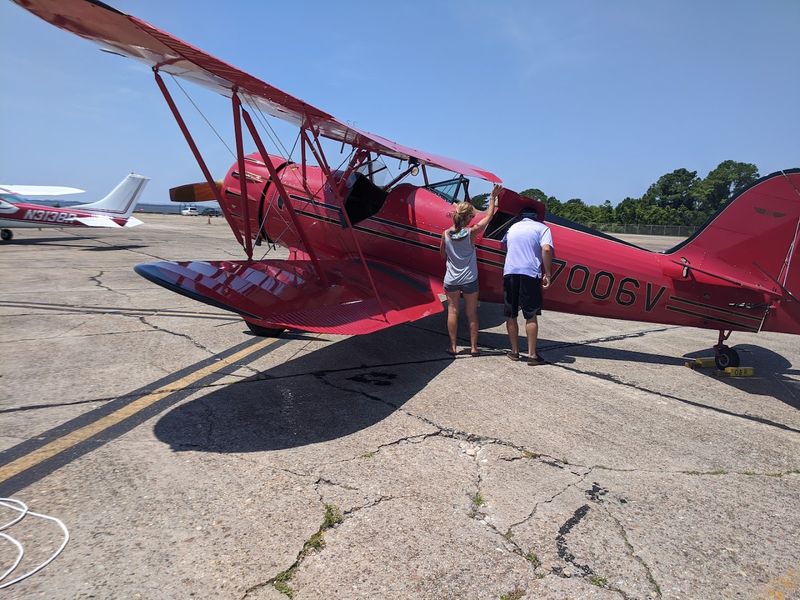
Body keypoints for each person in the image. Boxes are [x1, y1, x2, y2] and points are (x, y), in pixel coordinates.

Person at [440, 185, 500, 356]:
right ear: (468, 218)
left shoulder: (445, 234)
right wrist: (493, 198)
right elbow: (488, 216)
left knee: (452, 311)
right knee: (472, 313)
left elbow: (442, 255)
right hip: (469, 279)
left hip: (451, 279)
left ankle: (453, 347)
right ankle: (474, 348)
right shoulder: (471, 233)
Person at [501, 204, 553, 365]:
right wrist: (548, 273)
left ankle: (515, 352)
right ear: (536, 216)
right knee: (530, 314)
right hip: (530, 273)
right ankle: (532, 355)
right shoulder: (542, 228)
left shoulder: (512, 228)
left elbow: (503, 243)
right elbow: (546, 249)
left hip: (510, 272)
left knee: (511, 313)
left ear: (521, 216)